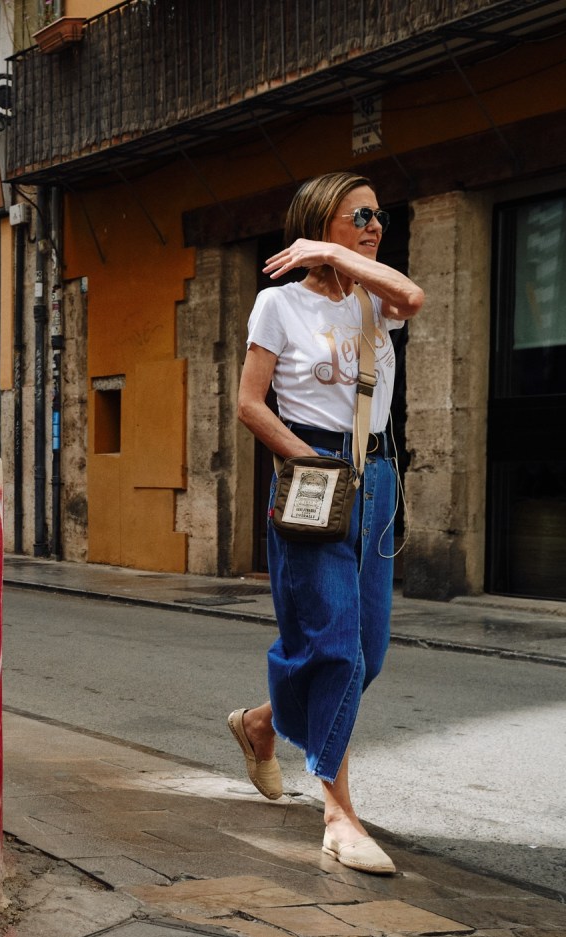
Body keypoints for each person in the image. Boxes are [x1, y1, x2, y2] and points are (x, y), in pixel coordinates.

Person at [230, 171, 425, 877]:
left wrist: (342, 257)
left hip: (373, 480)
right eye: (358, 216)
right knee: (333, 645)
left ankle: (261, 723)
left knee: (368, 652)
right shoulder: (277, 304)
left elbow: (414, 296)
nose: (375, 224)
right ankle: (339, 815)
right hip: (314, 475)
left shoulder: (376, 297)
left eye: (380, 214)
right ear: (318, 222)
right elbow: (251, 404)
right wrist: (311, 460)